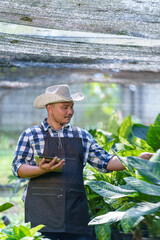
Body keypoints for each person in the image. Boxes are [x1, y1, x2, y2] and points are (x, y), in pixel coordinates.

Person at [12, 85, 149, 240]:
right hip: (41, 214)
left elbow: (106, 162)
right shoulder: (31, 135)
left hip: (75, 214)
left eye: (72, 107)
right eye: (65, 107)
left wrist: (136, 159)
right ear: (50, 108)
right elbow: (18, 168)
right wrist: (42, 169)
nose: (70, 112)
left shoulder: (82, 136)